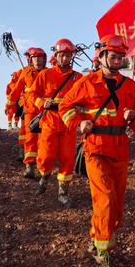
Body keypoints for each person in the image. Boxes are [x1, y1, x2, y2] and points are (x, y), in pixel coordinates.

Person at [59, 34, 135, 267]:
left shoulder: (129, 85)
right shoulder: (87, 83)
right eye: (113, 56)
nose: (117, 60)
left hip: (120, 149)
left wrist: (133, 115)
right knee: (105, 200)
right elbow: (65, 106)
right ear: (102, 57)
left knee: (115, 206)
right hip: (95, 149)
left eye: (120, 57)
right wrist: (79, 122)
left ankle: (96, 237)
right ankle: (104, 257)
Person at [30, 38, 82, 207]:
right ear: (56, 56)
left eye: (68, 55)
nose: (65, 58)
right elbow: (32, 94)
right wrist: (40, 103)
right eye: (62, 55)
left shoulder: (78, 77)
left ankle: (63, 193)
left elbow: (86, 97)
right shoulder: (45, 75)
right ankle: (44, 177)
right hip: (50, 121)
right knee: (46, 156)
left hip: (69, 122)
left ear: (72, 56)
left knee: (67, 158)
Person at [6, 48, 47, 178]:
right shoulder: (25, 72)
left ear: (44, 59)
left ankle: (42, 167)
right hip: (30, 110)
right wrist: (10, 104)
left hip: (45, 111)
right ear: (30, 59)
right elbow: (16, 90)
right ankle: (29, 166)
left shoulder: (49, 73)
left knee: (43, 140)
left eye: (40, 57)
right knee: (30, 139)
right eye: (35, 58)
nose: (37, 60)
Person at [5, 48, 34, 157]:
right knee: (24, 128)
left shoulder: (44, 71)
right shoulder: (22, 71)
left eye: (29, 56)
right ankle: (23, 149)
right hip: (25, 103)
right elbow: (15, 87)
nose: (27, 58)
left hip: (40, 105)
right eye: (27, 56)